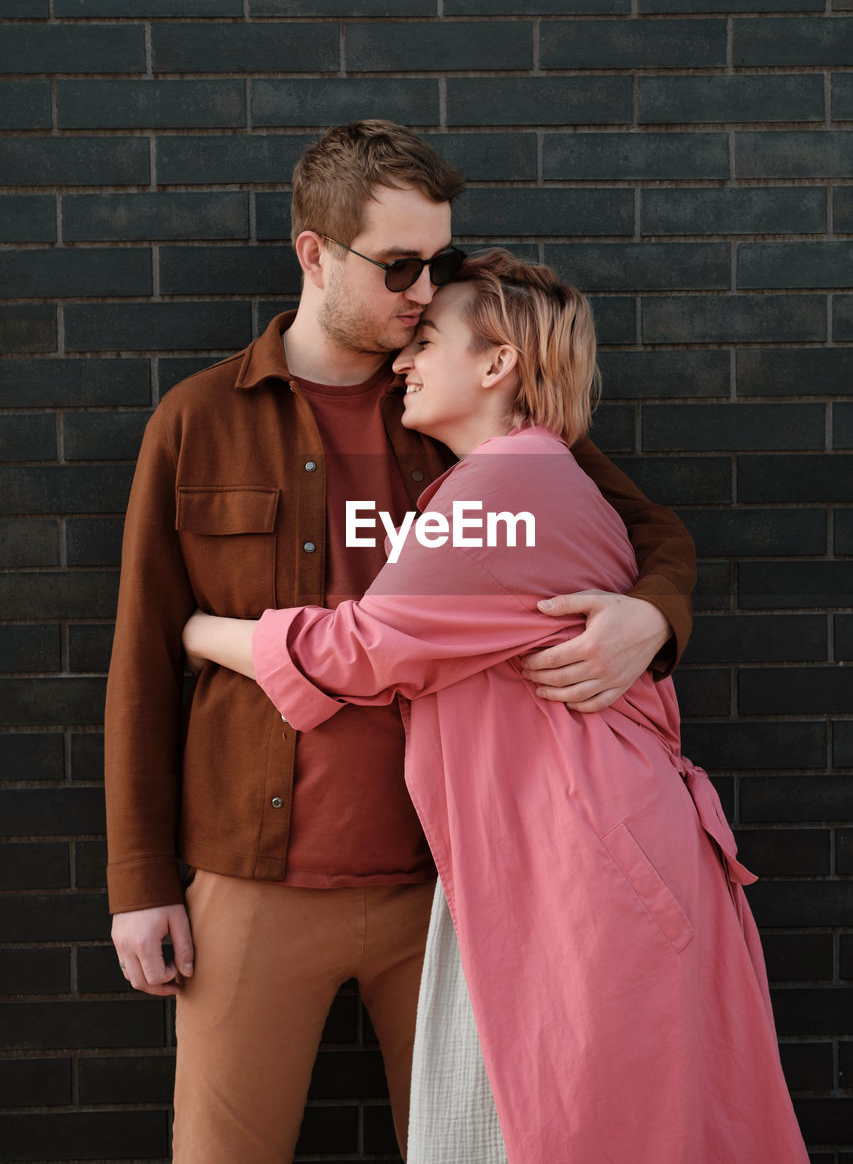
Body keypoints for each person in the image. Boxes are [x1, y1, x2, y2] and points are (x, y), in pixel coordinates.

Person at [105, 120, 696, 1163]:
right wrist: (141, 880)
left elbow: (643, 530)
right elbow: (143, 664)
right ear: (314, 253)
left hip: (453, 888)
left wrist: (648, 620)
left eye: (440, 266)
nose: (425, 294)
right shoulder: (199, 419)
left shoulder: (458, 400)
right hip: (254, 878)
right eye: (400, 267)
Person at [182, 249, 808, 1164]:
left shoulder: (505, 485)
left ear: (496, 363)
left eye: (426, 339)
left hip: (589, 870)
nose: (401, 359)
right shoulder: (531, 475)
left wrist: (195, 628)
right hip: (588, 852)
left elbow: (356, 653)